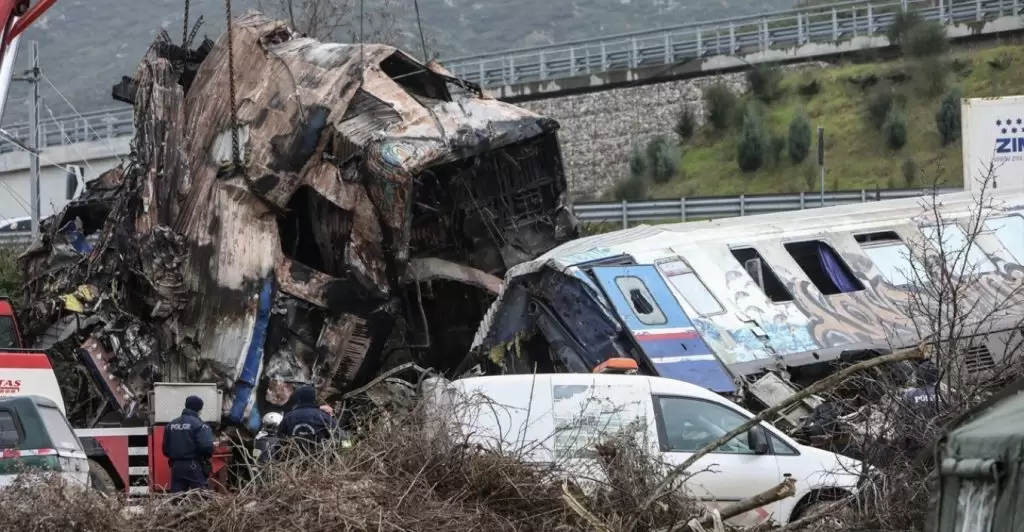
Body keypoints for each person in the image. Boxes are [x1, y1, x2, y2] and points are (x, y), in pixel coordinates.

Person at [163, 395, 215, 493]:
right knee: (202, 498)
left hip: (176, 467)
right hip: (193, 466)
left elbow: (166, 449)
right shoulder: (200, 425)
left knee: (177, 499)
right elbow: (206, 446)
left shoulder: (171, 425)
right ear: (199, 409)